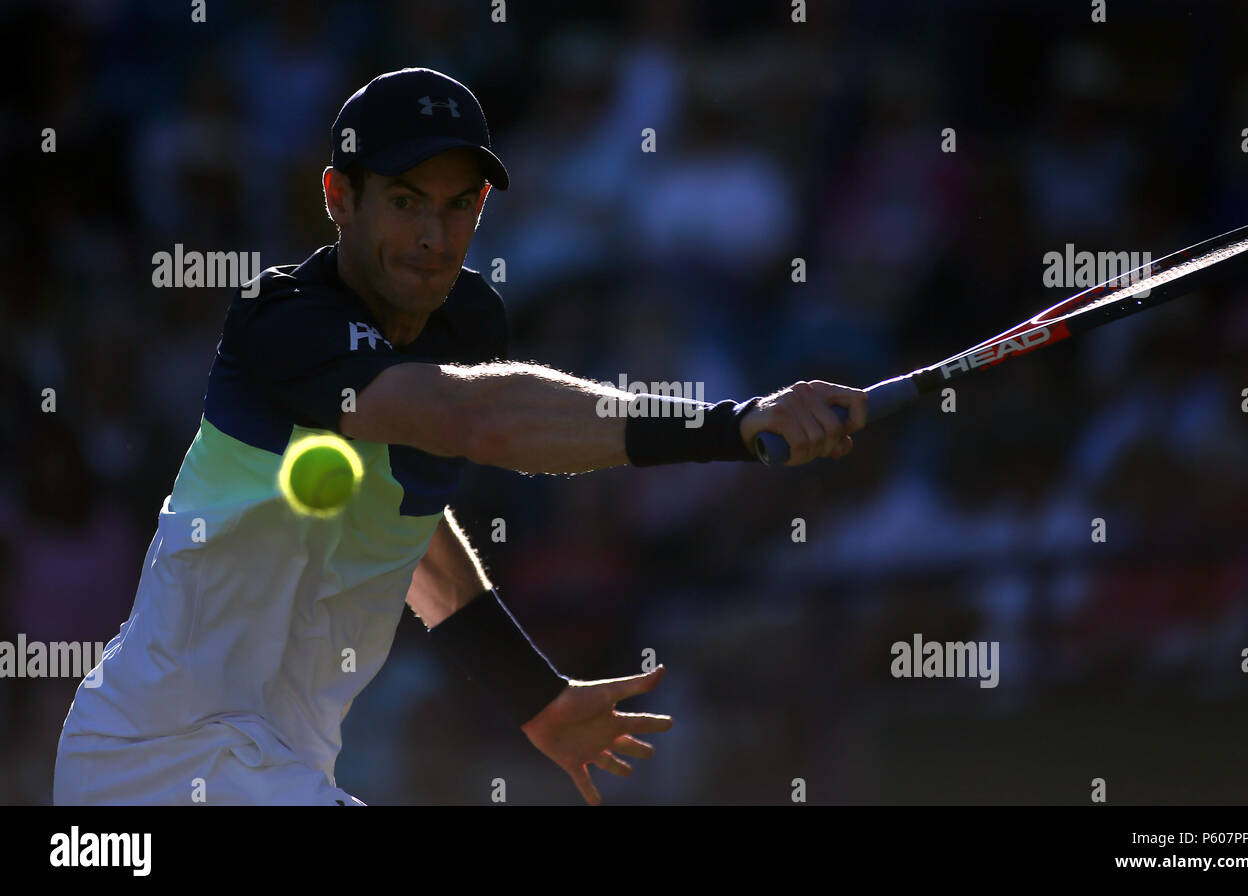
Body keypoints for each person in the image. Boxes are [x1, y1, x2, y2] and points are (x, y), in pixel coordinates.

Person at [53, 68, 867, 806]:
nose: (433, 237)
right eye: (406, 200)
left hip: (277, 770)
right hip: (154, 764)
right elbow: (477, 420)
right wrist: (732, 424)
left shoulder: (465, 321)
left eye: (457, 206)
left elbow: (411, 526)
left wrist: (534, 698)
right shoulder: (282, 321)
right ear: (340, 197)